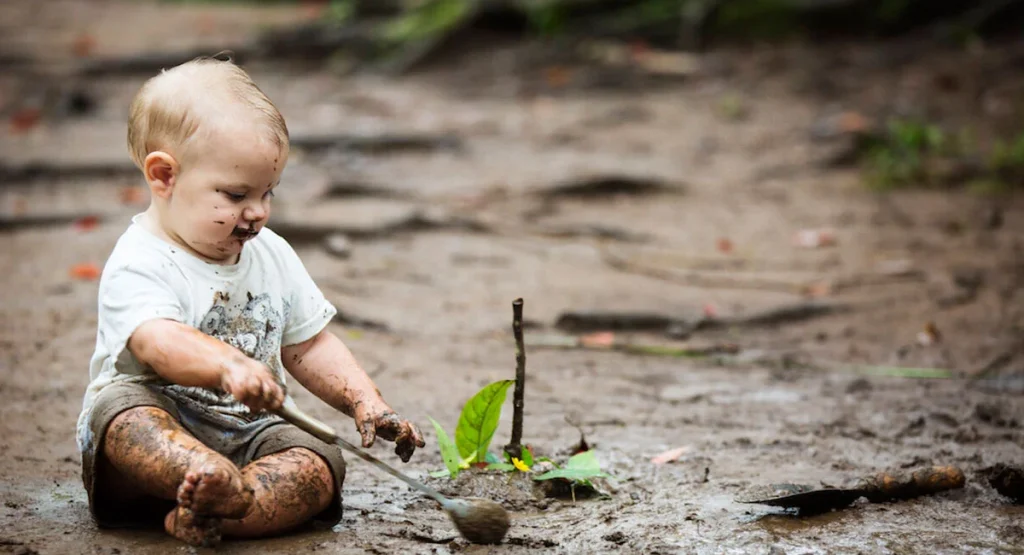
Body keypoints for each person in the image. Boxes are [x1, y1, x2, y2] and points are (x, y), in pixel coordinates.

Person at [75, 55, 425, 548]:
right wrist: (226, 367)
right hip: (161, 432)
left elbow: (308, 343)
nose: (257, 213)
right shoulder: (141, 260)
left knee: (319, 460)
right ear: (164, 176)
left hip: (249, 435)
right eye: (236, 194)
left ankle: (228, 508)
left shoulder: (271, 254)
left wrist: (364, 400)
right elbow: (157, 342)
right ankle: (204, 478)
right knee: (124, 413)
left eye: (268, 193)